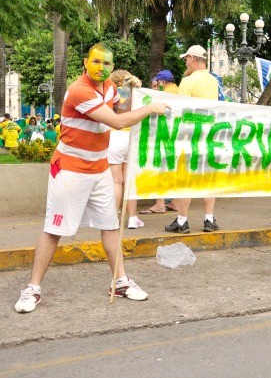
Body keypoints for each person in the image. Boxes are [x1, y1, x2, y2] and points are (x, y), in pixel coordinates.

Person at [14, 42, 169, 313]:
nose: (101, 68)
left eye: (107, 63)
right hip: (71, 168)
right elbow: (117, 122)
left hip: (98, 168)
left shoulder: (109, 86)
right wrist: (150, 108)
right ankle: (33, 288)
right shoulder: (79, 91)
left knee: (110, 225)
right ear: (86, 62)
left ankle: (120, 282)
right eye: (96, 62)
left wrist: (136, 94)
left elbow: (119, 111)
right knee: (55, 230)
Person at [165, 45, 220, 234]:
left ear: (192, 58)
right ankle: (209, 219)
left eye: (186, 59)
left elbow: (181, 111)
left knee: (185, 179)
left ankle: (182, 221)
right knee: (207, 179)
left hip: (190, 136)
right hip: (209, 135)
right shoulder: (213, 81)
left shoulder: (187, 82)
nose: (185, 63)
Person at [107, 69, 145, 229]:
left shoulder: (110, 94)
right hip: (131, 138)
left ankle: (113, 219)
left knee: (116, 181)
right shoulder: (136, 95)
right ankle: (133, 218)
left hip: (114, 137)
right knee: (129, 181)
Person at [141, 69, 179, 214]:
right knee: (172, 170)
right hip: (177, 136)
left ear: (162, 82)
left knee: (161, 169)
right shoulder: (179, 90)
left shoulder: (162, 94)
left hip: (164, 135)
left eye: (157, 83)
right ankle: (174, 202)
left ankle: (159, 204)